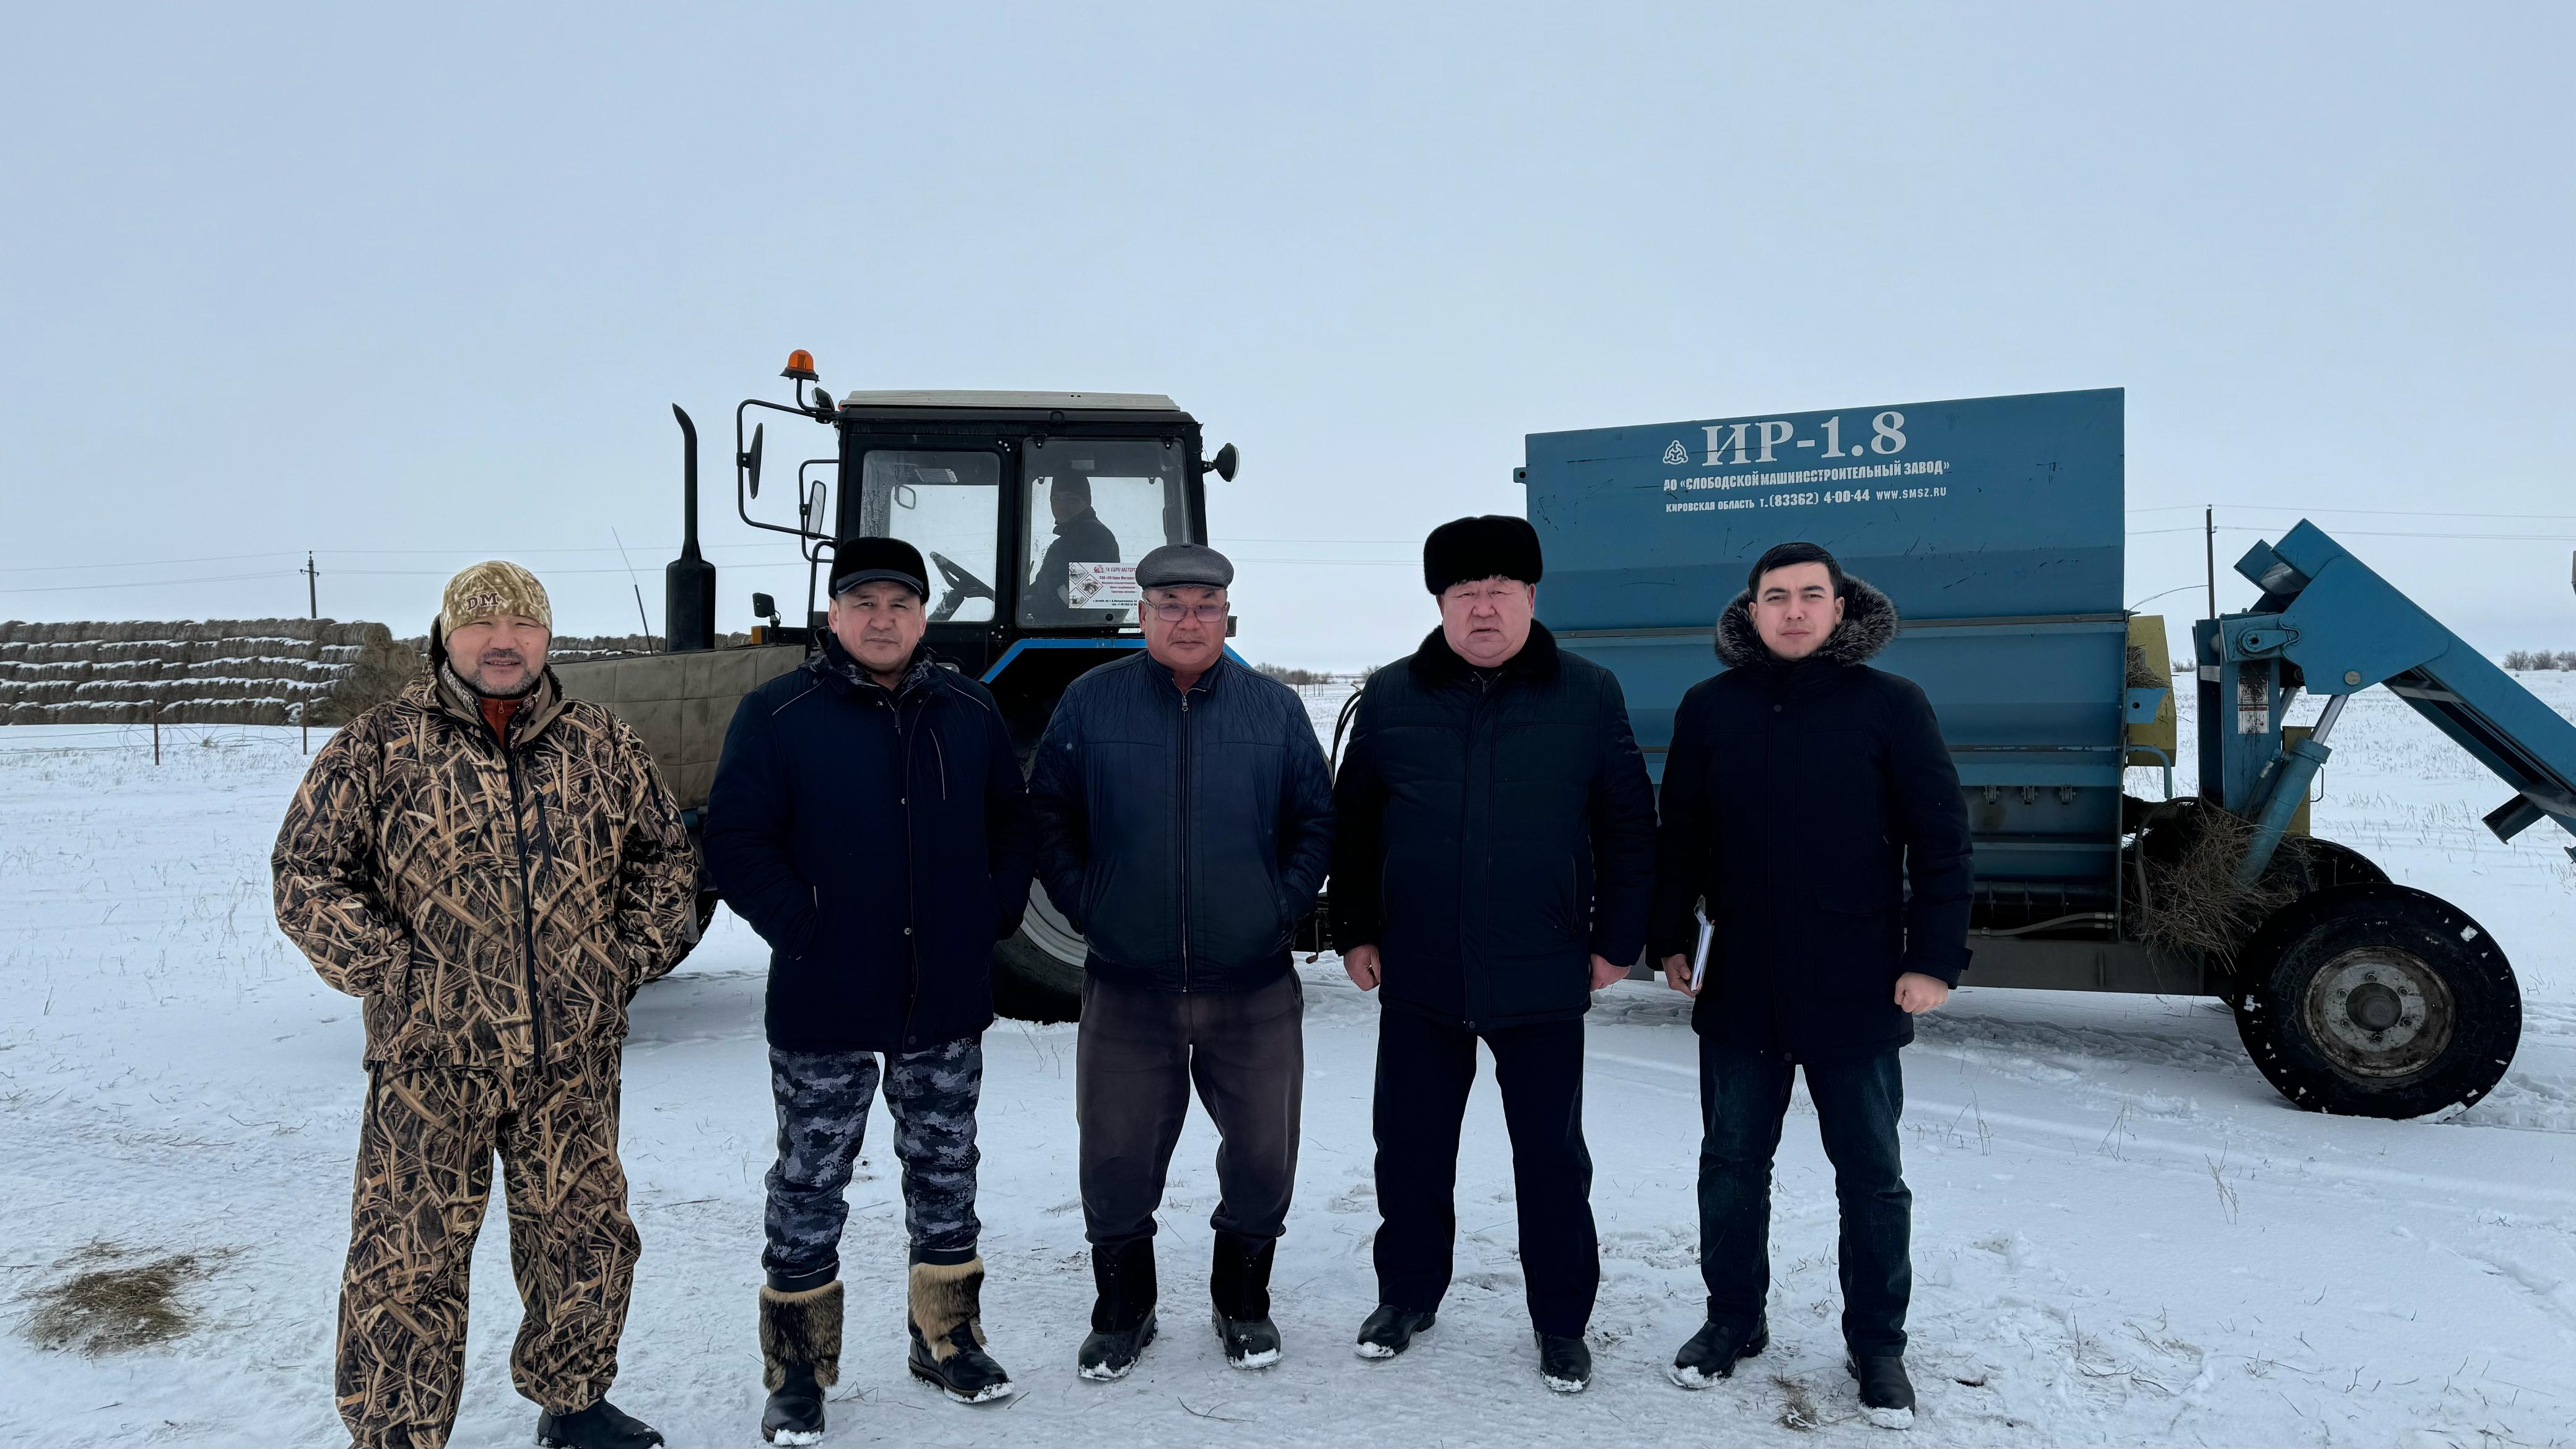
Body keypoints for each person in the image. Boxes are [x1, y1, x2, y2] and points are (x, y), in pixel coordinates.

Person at [272, 560, 695, 1449]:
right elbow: (306, 874)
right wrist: (395, 972)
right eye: (481, 624)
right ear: (446, 636)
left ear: (547, 637)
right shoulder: (378, 745)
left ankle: (574, 1405)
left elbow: (666, 862)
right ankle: (398, 1430)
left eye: (523, 625)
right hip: (429, 1062)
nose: (503, 642)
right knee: (406, 1257)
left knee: (583, 1238)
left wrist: (620, 963)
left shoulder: (602, 745)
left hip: (571, 1060)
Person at [703, 537, 1036, 1442]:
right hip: (826, 998)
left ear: (924, 616)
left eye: (900, 603)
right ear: (834, 614)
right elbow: (735, 839)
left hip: (943, 994)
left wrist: (993, 911)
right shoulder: (779, 713)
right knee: (810, 1181)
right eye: (864, 603)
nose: (882, 619)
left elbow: (1012, 823)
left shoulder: (969, 707)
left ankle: (947, 1337)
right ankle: (798, 1366)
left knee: (946, 1167)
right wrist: (803, 927)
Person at [1328, 515, 1657, 1395]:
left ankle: (1561, 1321)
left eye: (1500, 591)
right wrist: (1354, 929)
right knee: (1410, 1148)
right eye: (1464, 592)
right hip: (1421, 967)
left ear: (1531, 597)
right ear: (1439, 602)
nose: (1483, 609)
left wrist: (1616, 941)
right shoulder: (1392, 696)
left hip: (1541, 966)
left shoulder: (1587, 693)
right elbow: (1352, 826)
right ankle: (1406, 1296)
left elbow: (1628, 827)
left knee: (1551, 1159)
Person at [1648, 541, 1973, 1430]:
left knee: (1871, 1177)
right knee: (1730, 1166)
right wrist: (1668, 938)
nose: (1793, 610)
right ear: (1750, 611)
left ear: (1840, 607)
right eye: (1775, 596)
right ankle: (1732, 1319)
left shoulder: (1890, 705)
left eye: (1810, 595)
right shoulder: (1710, 707)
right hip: (1740, 982)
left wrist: (1932, 960)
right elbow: (1680, 837)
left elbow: (1940, 841)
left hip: (1856, 982)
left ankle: (1877, 1344)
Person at [1028, 542, 1334, 1380]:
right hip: (1130, 981)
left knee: (1264, 1153)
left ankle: (1242, 1299)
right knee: (1116, 1155)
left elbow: (1315, 820)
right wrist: (1090, 904)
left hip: (1252, 982)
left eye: (1205, 606)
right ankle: (1124, 1308)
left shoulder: (1273, 710)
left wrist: (1278, 906)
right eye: (1171, 605)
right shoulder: (1091, 703)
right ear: (1143, 615)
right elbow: (1048, 814)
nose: (1189, 620)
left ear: (1227, 615)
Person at [1027, 474, 1122, 617]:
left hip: (1073, 629)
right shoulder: (1071, 538)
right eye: (1055, 500)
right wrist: (1025, 596)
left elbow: (1083, 590)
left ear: (1086, 502)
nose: (1061, 507)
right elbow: (1049, 585)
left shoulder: (1095, 538)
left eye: (1071, 500)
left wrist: (1033, 607)